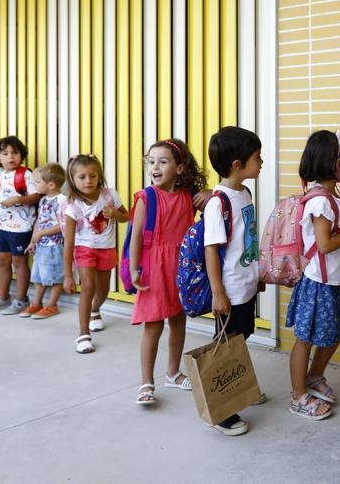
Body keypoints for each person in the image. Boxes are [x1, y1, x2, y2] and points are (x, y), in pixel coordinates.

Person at [286, 131, 340, 420]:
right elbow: (324, 244)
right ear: (334, 164)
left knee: (334, 331)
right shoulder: (320, 201)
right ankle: (298, 395)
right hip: (316, 283)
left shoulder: (331, 197)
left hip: (328, 281)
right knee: (305, 339)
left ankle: (314, 376)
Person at [129, 139, 204, 406]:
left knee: (178, 319)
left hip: (181, 265)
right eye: (151, 162)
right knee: (153, 325)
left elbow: (216, 205)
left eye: (163, 161)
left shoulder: (187, 197)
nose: (155, 167)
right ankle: (146, 382)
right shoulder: (146, 197)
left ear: (180, 168)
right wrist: (134, 267)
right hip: (154, 267)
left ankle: (172, 373)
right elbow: (136, 236)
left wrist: (208, 194)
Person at [204, 126, 265, 436]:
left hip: (246, 283)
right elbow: (211, 250)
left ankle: (240, 389)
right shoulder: (218, 202)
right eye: (257, 158)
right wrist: (218, 292)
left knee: (241, 337)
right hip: (229, 287)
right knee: (226, 347)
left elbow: (247, 241)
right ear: (238, 164)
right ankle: (223, 410)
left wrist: (257, 274)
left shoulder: (245, 193)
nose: (262, 162)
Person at [63, 154, 129, 353]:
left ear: (99, 176)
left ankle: (95, 310)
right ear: (72, 179)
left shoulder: (109, 195)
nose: (88, 181)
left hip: (106, 249)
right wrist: (67, 275)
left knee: (103, 291)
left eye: (92, 176)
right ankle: (83, 335)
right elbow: (69, 243)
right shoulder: (73, 206)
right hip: (84, 250)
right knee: (88, 288)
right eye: (82, 177)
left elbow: (127, 216)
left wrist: (116, 215)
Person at [0, 136, 42, 315]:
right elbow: (1, 199)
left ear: (21, 155)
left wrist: (19, 199)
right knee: (2, 261)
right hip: (3, 226)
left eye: (15, 153)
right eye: (5, 153)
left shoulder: (25, 174)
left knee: (19, 261)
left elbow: (37, 196)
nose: (10, 157)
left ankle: (21, 299)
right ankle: (3, 296)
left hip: (22, 227)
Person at [22, 163, 67, 319]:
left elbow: (63, 226)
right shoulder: (43, 200)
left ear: (51, 184)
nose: (35, 186)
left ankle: (52, 305)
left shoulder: (62, 201)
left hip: (54, 246)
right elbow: (39, 221)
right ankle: (36, 302)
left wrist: (41, 234)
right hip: (41, 246)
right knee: (38, 276)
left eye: (37, 182)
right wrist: (33, 241)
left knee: (55, 276)